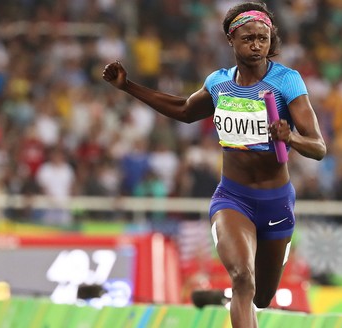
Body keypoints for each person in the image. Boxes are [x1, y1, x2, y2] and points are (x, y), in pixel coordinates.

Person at [102, 2, 326, 327]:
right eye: (248, 38)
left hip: (276, 203)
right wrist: (128, 86)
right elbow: (183, 109)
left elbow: (318, 147)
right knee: (242, 278)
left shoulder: (286, 82)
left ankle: (225, 300)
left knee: (262, 296)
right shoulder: (219, 83)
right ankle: (235, 295)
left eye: (263, 38)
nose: (256, 45)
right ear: (231, 40)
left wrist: (289, 137)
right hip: (233, 199)